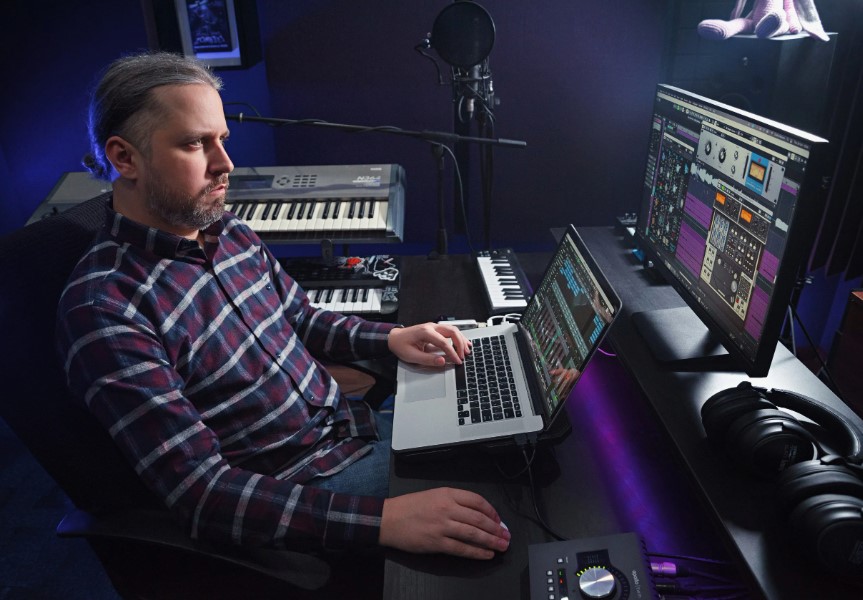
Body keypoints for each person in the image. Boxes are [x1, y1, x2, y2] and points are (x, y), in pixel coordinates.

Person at [56, 51, 510, 561]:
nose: (225, 164)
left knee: (507, 445)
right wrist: (385, 521)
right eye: (195, 144)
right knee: (504, 499)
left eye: (222, 139)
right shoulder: (105, 310)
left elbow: (300, 318)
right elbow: (203, 495)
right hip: (304, 490)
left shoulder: (227, 232)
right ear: (124, 158)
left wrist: (391, 338)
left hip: (350, 429)